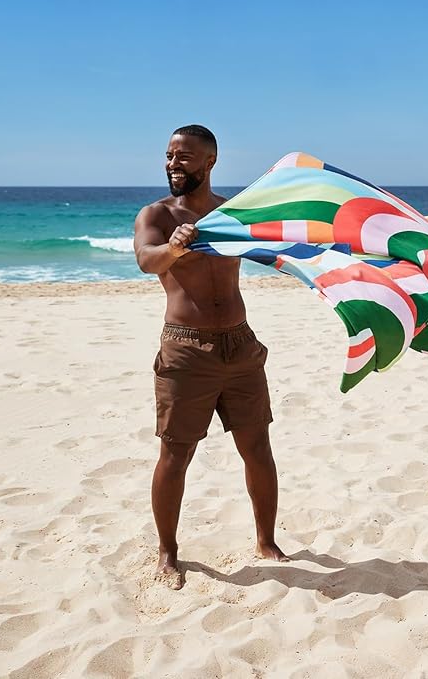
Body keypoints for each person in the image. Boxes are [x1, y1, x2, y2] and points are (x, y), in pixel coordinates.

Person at [134, 124, 287, 590]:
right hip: (186, 349)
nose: (173, 164)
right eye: (169, 156)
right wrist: (174, 246)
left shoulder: (230, 213)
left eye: (183, 156)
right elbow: (146, 259)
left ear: (209, 161)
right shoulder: (158, 214)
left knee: (257, 447)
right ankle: (167, 551)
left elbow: (282, 239)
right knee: (175, 453)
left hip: (240, 345)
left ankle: (266, 541)